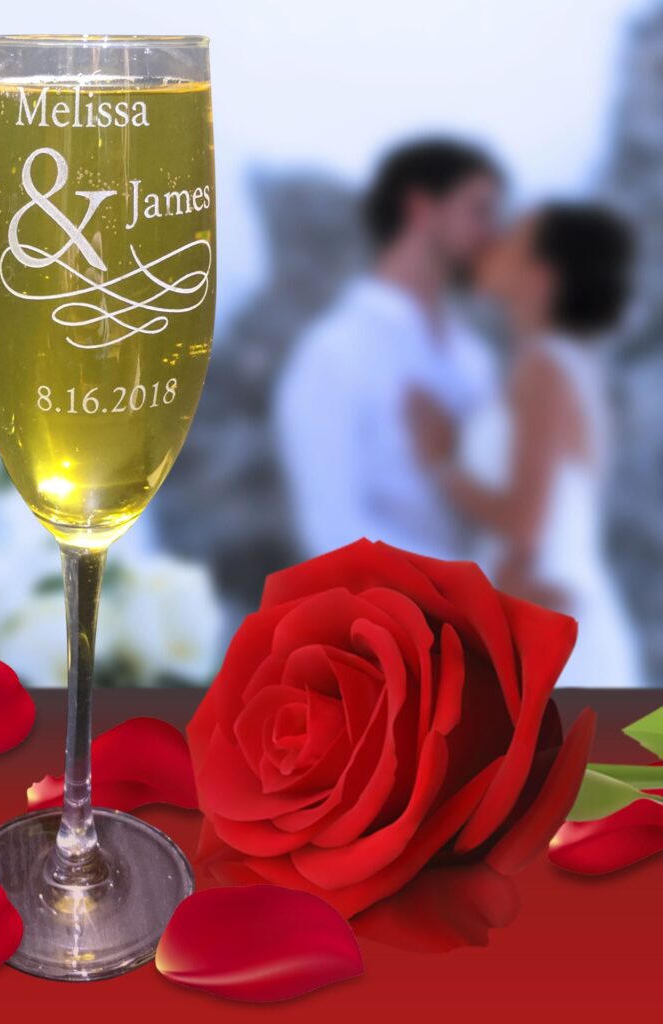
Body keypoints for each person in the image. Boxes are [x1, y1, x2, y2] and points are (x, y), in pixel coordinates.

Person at [409, 204, 642, 688]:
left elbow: (525, 522)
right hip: (544, 608)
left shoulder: (545, 368)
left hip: (549, 616)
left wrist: (440, 464)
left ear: (541, 277)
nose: (493, 241)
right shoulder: (555, 366)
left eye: (513, 238)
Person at [275, 137, 503, 562]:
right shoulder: (334, 355)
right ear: (420, 208)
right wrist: (476, 589)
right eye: (478, 210)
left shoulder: (477, 360)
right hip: (400, 619)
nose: (491, 233)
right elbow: (332, 529)